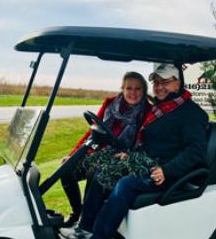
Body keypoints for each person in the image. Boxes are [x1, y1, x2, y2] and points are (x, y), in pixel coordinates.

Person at [61, 63, 209, 239]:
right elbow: (151, 143)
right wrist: (130, 156)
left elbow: (195, 151)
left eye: (165, 82)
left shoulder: (191, 113)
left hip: (167, 171)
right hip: (147, 162)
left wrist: (167, 169)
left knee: (126, 184)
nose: (159, 87)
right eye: (156, 82)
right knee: (103, 173)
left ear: (178, 83)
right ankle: (86, 229)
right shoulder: (162, 107)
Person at [60, 71, 151, 227]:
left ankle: (87, 222)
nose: (133, 93)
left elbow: (146, 142)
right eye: (129, 88)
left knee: (96, 172)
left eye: (138, 89)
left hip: (124, 157)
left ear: (143, 91)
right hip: (103, 152)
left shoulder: (147, 111)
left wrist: (130, 155)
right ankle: (77, 212)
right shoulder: (110, 104)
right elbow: (93, 131)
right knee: (66, 169)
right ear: (122, 89)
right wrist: (73, 155)